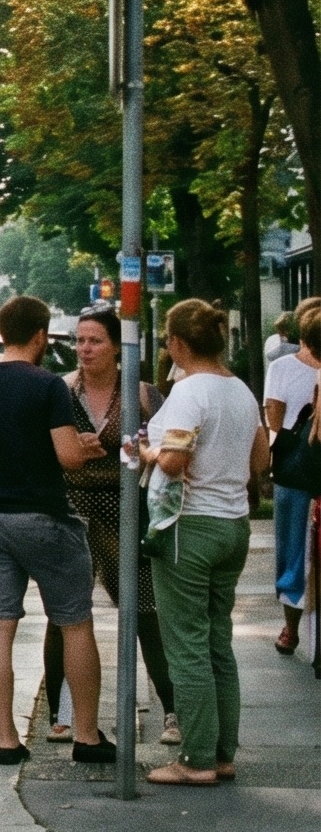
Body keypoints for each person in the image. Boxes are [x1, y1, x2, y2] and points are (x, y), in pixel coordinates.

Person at [0, 295, 113, 765]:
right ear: (41, 335)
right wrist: (86, 448)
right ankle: (86, 736)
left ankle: (6, 741)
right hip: (44, 519)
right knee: (74, 623)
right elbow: (66, 457)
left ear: (4, 332)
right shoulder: (48, 386)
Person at [140, 299, 267, 787]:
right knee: (217, 642)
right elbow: (259, 459)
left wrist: (145, 450)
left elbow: (172, 461)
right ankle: (223, 751)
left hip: (187, 526)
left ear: (176, 343)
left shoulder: (191, 392)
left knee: (186, 645)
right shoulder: (240, 391)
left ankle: (195, 760)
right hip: (232, 525)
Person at [46, 309, 172, 742]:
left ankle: (171, 709)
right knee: (65, 613)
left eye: (95, 341)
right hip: (73, 507)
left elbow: (167, 449)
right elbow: (42, 452)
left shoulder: (140, 393)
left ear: (118, 346)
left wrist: (136, 453)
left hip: (125, 507)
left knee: (145, 607)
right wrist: (66, 451)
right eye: (80, 341)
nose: (84, 349)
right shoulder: (59, 390)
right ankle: (62, 715)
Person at [263, 307, 321, 656]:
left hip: (293, 468)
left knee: (292, 548)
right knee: (293, 548)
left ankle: (291, 627)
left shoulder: (281, 368)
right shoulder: (283, 367)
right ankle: (292, 624)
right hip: (299, 468)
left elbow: (274, 418)